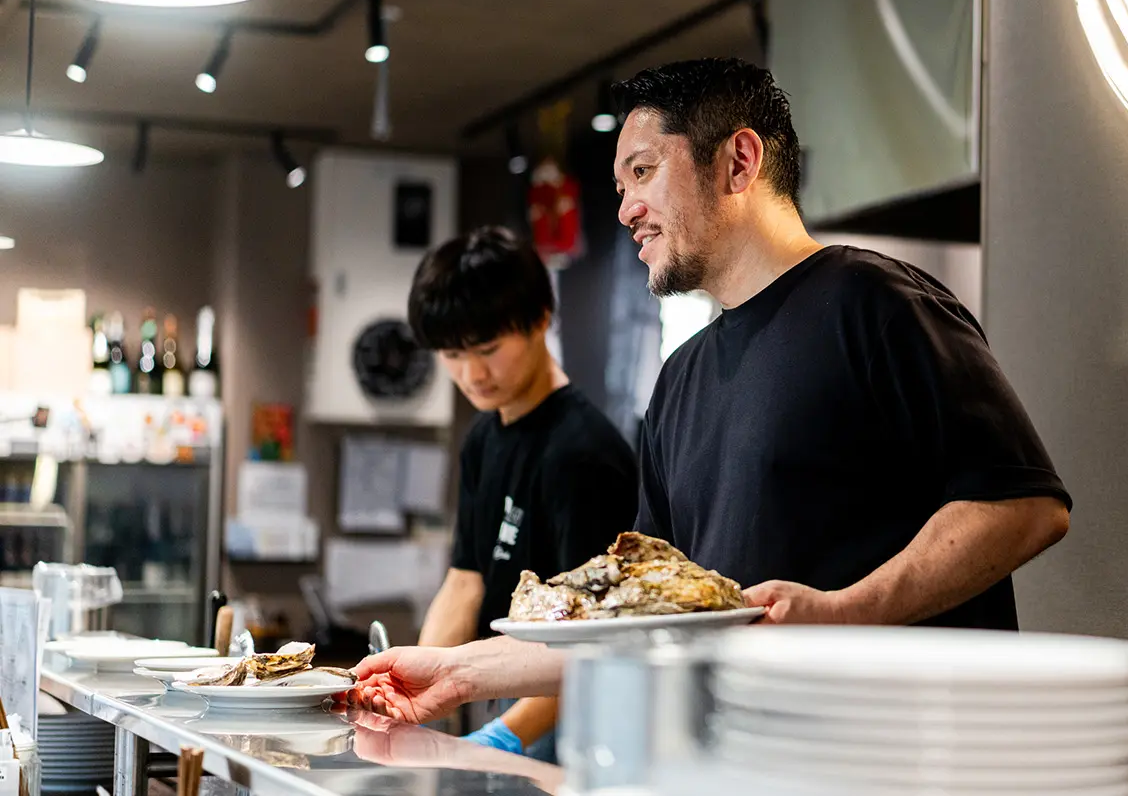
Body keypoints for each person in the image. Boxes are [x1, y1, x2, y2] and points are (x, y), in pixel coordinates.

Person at [349, 58, 1071, 724]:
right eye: (620, 187)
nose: (626, 209)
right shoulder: (680, 378)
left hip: (904, 758)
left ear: (739, 162)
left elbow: (1026, 507)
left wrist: (845, 611)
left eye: (643, 171)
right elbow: (642, 625)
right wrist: (456, 671)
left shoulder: (874, 303)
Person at [407, 227, 638, 758]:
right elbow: (465, 583)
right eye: (452, 354)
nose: (472, 374)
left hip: (574, 710)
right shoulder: (483, 439)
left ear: (540, 320)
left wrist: (505, 736)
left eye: (488, 349)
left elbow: (594, 636)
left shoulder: (584, 453)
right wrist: (410, 687)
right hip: (505, 690)